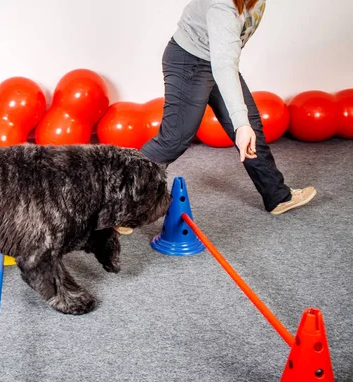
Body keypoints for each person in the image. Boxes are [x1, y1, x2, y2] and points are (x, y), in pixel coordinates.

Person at [115, 0, 316, 236]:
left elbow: (223, 58)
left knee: (251, 127)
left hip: (214, 58)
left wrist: (243, 124)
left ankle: (277, 196)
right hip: (189, 63)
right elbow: (223, 65)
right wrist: (239, 123)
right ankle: (117, 206)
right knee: (173, 140)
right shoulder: (223, 8)